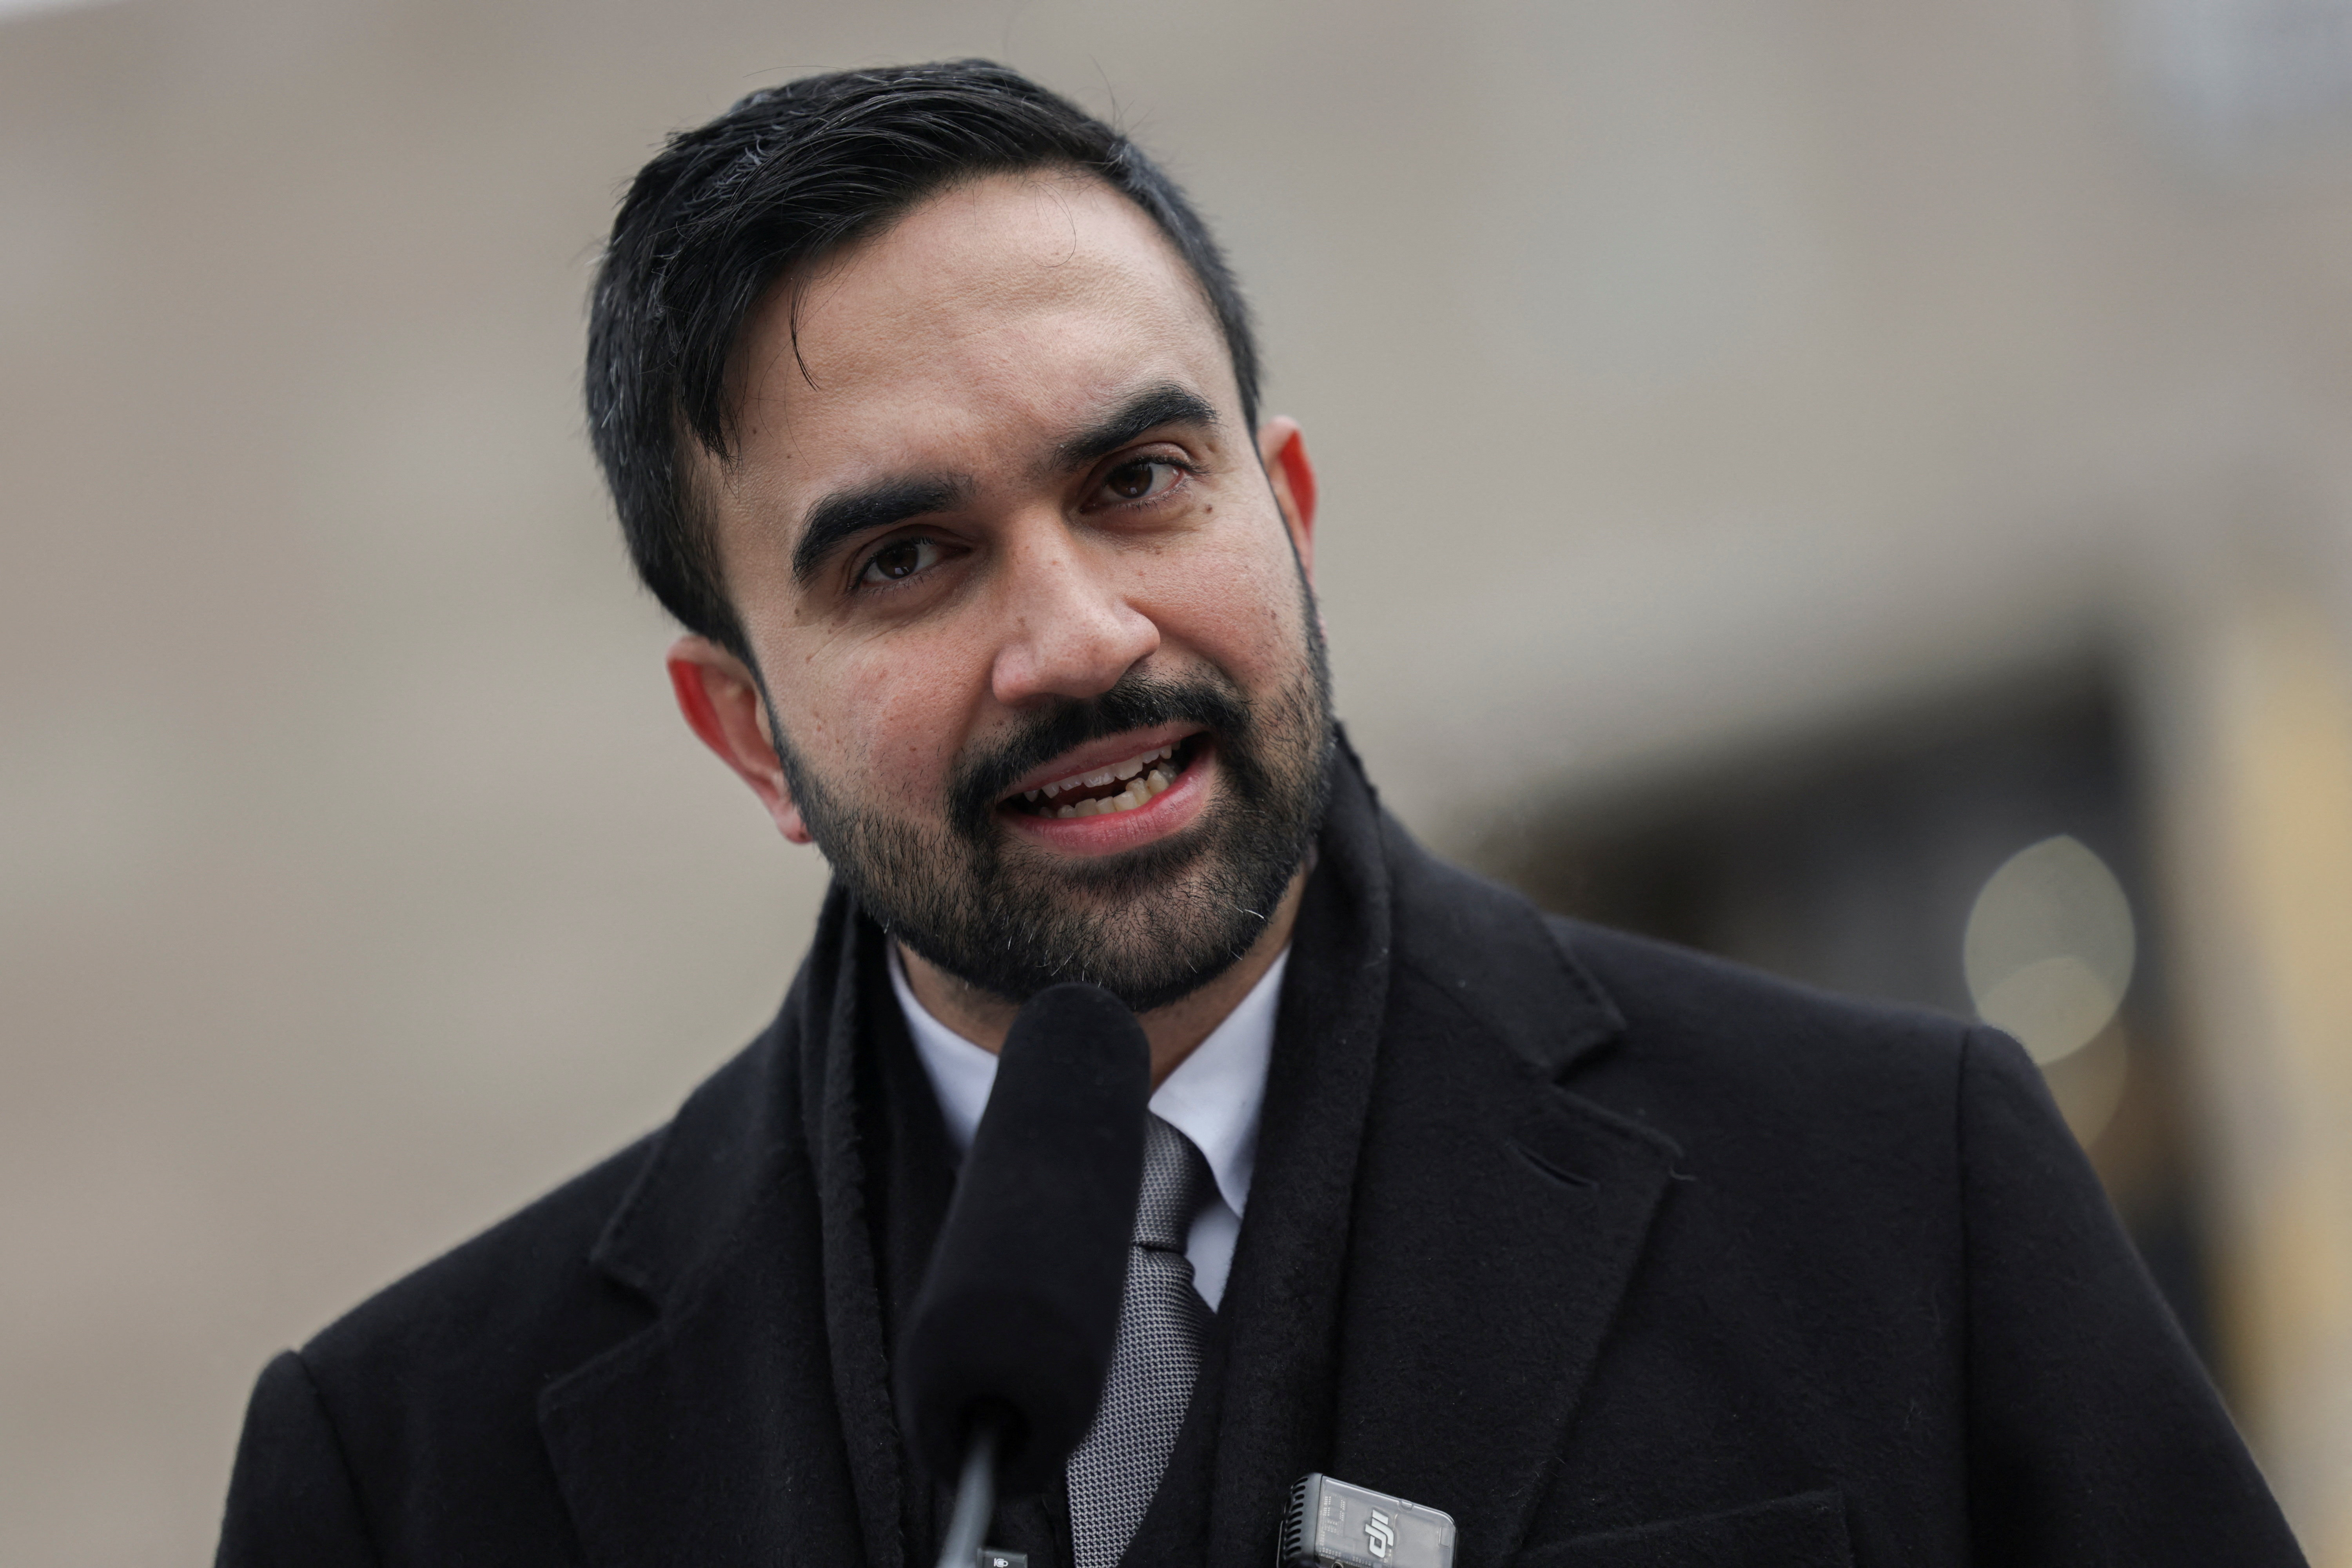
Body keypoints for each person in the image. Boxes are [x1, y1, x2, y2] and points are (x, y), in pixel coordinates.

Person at [216, 60, 2305, 1568]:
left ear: (1286, 514)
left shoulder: (1891, 1187)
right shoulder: (408, 1470)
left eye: (1136, 483)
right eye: (905, 563)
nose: (1075, 635)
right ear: (745, 735)